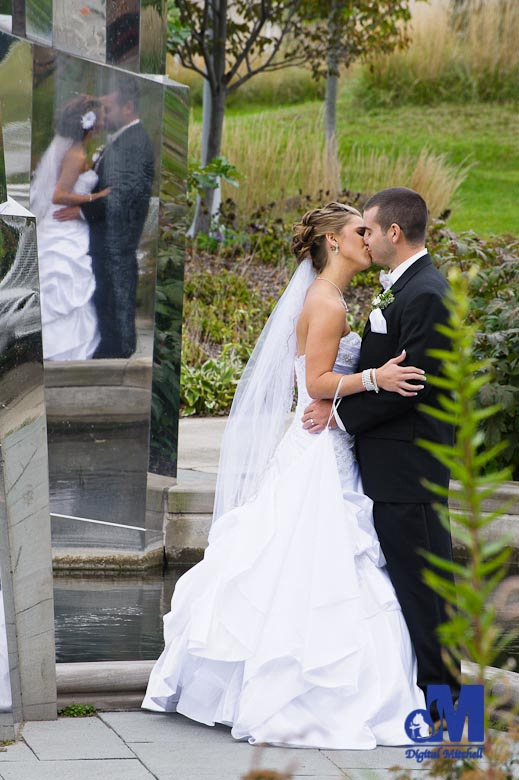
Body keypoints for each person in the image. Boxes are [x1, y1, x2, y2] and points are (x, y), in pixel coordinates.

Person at [142, 202, 428, 749]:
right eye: (358, 232)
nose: (369, 239)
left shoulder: (331, 297)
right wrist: (377, 376)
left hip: (325, 441)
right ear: (333, 241)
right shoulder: (325, 303)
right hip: (319, 452)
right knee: (314, 563)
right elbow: (317, 383)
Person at [302, 187, 460, 711]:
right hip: (390, 469)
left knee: (430, 598)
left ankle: (456, 723)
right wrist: (353, 392)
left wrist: (340, 412)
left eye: (368, 229)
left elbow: (414, 384)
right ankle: (432, 710)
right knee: (413, 595)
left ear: (394, 232)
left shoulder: (425, 294)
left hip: (408, 470)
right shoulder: (402, 288)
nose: (364, 238)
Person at [55, 75, 155, 359]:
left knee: (115, 306)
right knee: (106, 304)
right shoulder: (121, 140)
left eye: (109, 109)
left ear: (128, 108)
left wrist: (84, 208)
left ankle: (115, 359)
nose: (103, 115)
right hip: (105, 240)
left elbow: (124, 195)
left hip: (116, 243)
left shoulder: (134, 143)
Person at [30, 94, 109, 361]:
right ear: (92, 123)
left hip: (69, 226)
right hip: (63, 227)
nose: (104, 120)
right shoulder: (76, 154)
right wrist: (94, 198)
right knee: (63, 284)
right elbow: (59, 195)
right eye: (101, 116)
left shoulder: (77, 150)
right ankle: (59, 352)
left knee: (69, 287)